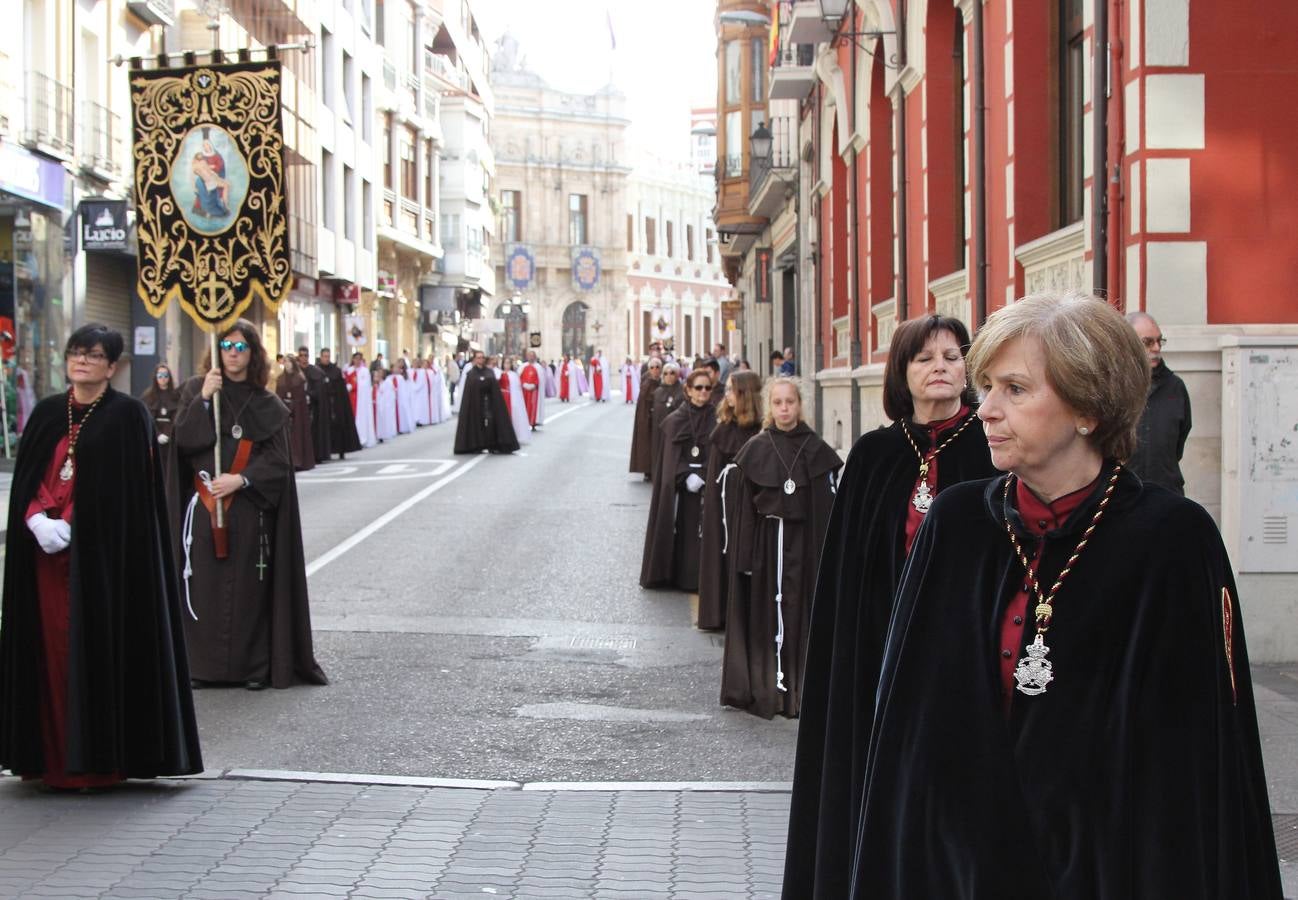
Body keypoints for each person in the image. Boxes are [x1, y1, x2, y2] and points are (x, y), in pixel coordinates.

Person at [846, 292, 1283, 898]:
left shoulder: (1172, 540)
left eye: (1015, 389)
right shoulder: (958, 526)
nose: (987, 409)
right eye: (987, 386)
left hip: (1114, 867)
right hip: (961, 867)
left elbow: (1191, 768)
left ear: (1088, 409)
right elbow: (911, 736)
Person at [782, 314, 995, 898]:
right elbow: (847, 573)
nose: (941, 369)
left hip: (960, 647)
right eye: (925, 359)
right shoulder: (875, 456)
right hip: (878, 645)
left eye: (952, 357)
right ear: (903, 372)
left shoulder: (991, 447)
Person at [0, 324, 203, 789]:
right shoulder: (49, 413)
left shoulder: (129, 416)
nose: (82, 361)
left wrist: (74, 522)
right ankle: (48, 760)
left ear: (112, 366)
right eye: (76, 353)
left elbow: (126, 493)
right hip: (45, 566)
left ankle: (98, 762)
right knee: (49, 654)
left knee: (97, 651)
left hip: (105, 562)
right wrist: (35, 519)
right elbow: (29, 479)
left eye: (93, 355)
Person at [171, 320, 328, 691]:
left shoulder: (265, 402)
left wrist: (241, 479)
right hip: (205, 508)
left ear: (253, 354)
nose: (233, 353)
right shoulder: (196, 390)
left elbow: (277, 460)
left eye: (241, 347)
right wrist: (205, 399)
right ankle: (202, 668)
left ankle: (252, 668)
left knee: (248, 592)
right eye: (227, 345)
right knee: (203, 589)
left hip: (247, 508)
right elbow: (184, 442)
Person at [721, 377, 841, 720]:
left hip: (803, 547)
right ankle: (766, 688)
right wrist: (743, 558)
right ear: (769, 407)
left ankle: (799, 691)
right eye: (778, 403)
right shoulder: (757, 448)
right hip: (767, 544)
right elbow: (744, 510)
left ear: (800, 405)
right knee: (765, 614)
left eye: (790, 402)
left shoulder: (816, 449)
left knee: (799, 612)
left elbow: (826, 510)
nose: (785, 408)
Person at [640, 367, 717, 590]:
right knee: (681, 530)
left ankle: (699, 578)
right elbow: (669, 457)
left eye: (708, 388)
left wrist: (704, 474)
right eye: (699, 387)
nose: (703, 392)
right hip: (681, 484)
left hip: (707, 481)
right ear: (688, 390)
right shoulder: (676, 419)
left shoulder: (718, 419)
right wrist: (685, 475)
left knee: (702, 533)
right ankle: (676, 575)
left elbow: (719, 453)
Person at [697, 371, 762, 631]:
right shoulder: (723, 427)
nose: (726, 395)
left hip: (748, 504)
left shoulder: (759, 430)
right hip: (724, 503)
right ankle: (719, 613)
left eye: (731, 391)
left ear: (745, 394)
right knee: (721, 553)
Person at [1124, 312, 1192, 495]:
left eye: (1159, 341)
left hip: (1167, 494)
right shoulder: (1113, 386)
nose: (1156, 348)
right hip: (1122, 497)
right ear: (1128, 344)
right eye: (1147, 342)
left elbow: (1178, 444)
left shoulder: (1175, 387)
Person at [454, 350, 520, 454]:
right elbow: (469, 392)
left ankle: (492, 444)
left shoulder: (489, 372)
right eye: (478, 357)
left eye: (482, 357)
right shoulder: (471, 374)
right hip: (475, 404)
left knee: (491, 423)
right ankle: (476, 444)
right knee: (476, 424)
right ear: (475, 359)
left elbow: (494, 388)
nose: (480, 359)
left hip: (489, 402)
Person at [317, 349, 361, 459]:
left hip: (335, 404)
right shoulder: (316, 371)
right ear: (321, 357)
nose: (326, 358)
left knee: (338, 428)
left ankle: (341, 451)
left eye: (328, 356)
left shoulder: (336, 371)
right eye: (324, 356)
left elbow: (342, 389)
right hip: (322, 404)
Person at [274, 355, 315, 471]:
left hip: (298, 413)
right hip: (285, 412)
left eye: (289, 362)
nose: (287, 364)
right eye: (285, 362)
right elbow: (278, 395)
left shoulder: (299, 378)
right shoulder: (280, 378)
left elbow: (300, 397)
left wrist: (293, 405)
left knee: (298, 436)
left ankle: (300, 461)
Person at [629, 357, 662, 479]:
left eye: (657, 367)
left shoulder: (663, 382)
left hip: (659, 419)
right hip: (648, 419)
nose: (655, 370)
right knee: (647, 445)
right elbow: (642, 404)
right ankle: (647, 471)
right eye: (652, 367)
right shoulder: (646, 384)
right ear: (649, 369)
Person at [298, 346, 331, 464]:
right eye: (301, 355)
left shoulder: (315, 371)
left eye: (305, 355)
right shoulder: (296, 372)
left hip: (314, 409)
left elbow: (320, 391)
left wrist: (310, 394)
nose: (303, 358)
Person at [140, 362, 181, 448]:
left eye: (165, 375)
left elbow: (177, 417)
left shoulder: (176, 395)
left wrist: (168, 434)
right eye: (160, 375)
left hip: (172, 438)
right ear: (156, 377)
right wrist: (157, 434)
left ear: (169, 377)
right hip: (154, 437)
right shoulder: (148, 396)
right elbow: (147, 418)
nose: (163, 378)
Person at [346, 351, 377, 448]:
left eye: (359, 359)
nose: (357, 361)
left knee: (361, 419)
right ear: (353, 359)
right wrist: (349, 386)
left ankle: (362, 439)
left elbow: (365, 385)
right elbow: (346, 381)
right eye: (356, 358)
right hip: (352, 398)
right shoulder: (349, 370)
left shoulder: (364, 371)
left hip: (362, 400)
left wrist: (355, 385)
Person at [520, 350, 546, 430]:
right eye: (529, 355)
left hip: (534, 392)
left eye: (532, 355)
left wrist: (534, 385)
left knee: (533, 407)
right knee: (524, 407)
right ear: (527, 357)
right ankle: (524, 423)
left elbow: (541, 380)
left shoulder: (538, 367)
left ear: (535, 357)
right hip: (524, 392)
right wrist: (524, 384)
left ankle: (533, 423)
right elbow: (519, 378)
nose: (531, 357)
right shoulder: (523, 367)